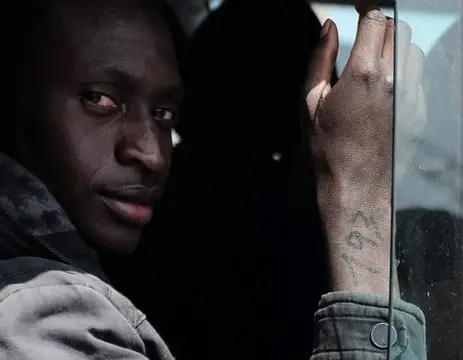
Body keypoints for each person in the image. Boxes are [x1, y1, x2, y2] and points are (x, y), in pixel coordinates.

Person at [0, 0, 426, 359]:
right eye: (100, 99)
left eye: (164, 113)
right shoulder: (43, 314)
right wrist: (360, 197)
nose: (152, 154)